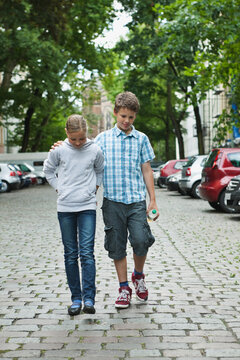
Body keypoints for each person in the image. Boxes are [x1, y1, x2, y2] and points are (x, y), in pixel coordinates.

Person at [94, 91, 159, 309]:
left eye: (131, 117)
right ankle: (123, 288)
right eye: (123, 116)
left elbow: (147, 170)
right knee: (116, 245)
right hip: (112, 202)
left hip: (136, 202)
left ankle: (138, 276)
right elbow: (86, 159)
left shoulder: (141, 139)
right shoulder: (102, 140)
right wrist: (62, 144)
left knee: (141, 240)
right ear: (115, 113)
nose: (126, 121)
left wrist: (153, 201)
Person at [43, 114, 104, 316]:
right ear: (66, 133)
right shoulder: (59, 151)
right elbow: (48, 171)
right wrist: (59, 188)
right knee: (71, 254)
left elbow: (99, 171)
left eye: (81, 138)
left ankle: (89, 299)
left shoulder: (95, 149)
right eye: (73, 138)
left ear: (87, 133)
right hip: (65, 208)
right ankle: (76, 299)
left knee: (87, 253)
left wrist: (93, 189)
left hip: (87, 206)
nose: (78, 143)